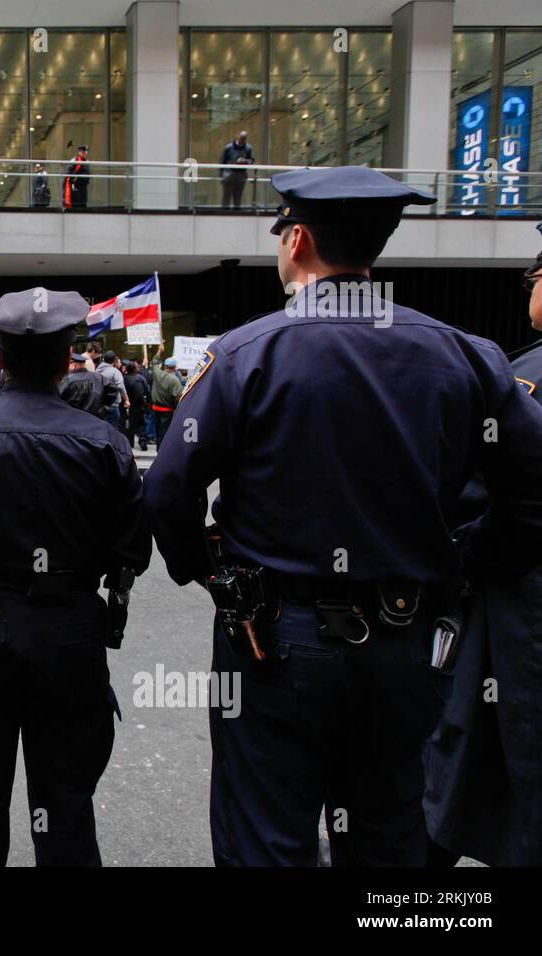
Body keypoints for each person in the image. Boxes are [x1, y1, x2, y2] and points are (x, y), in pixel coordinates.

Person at [143, 166, 542, 867]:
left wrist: (207, 572)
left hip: (273, 638)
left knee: (266, 834)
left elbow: (169, 489)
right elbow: (533, 492)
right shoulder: (468, 357)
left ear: (296, 240)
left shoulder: (243, 355)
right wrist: (470, 562)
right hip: (407, 639)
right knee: (389, 836)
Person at [0, 288, 151, 866]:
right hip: (68, 632)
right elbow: (132, 549)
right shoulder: (106, 443)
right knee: (67, 804)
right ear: (69, 360)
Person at [423, 235, 542, 866]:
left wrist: (464, 562)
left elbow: (486, 497)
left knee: (467, 752)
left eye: (535, 280)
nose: (531, 292)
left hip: (517, 612)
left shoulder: (526, 380)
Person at [148, 349, 183, 446]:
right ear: (174, 368)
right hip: (167, 411)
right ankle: (161, 451)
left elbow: (154, 361)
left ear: (165, 366)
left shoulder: (157, 373)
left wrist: (159, 350)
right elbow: (177, 397)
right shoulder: (175, 380)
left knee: (158, 431)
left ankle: (159, 449)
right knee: (164, 433)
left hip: (155, 409)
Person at [87, 343, 126, 428]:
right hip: (113, 405)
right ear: (114, 360)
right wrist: (126, 399)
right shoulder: (115, 372)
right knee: (113, 428)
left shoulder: (97, 370)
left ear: (104, 359)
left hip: (99, 404)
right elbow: (121, 386)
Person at [58, 351, 106, 416]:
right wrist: (102, 406)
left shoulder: (68, 379)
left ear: (74, 365)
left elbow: (59, 397)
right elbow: (113, 390)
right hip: (94, 417)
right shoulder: (99, 377)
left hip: (73, 417)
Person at [219, 131, 254, 210]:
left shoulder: (248, 148)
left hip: (241, 174)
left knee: (238, 196)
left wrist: (245, 160)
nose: (242, 140)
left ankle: (237, 214)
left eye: (244, 138)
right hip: (228, 174)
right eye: (241, 138)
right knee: (226, 196)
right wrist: (221, 176)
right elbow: (222, 162)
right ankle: (224, 214)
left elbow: (251, 160)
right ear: (237, 136)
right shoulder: (228, 147)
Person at [122, 360, 149, 451]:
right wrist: (146, 403)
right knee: (141, 424)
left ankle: (130, 443)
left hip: (127, 404)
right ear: (134, 369)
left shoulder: (124, 378)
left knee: (130, 425)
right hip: (138, 405)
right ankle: (143, 442)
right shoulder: (140, 379)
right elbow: (146, 392)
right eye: (137, 367)